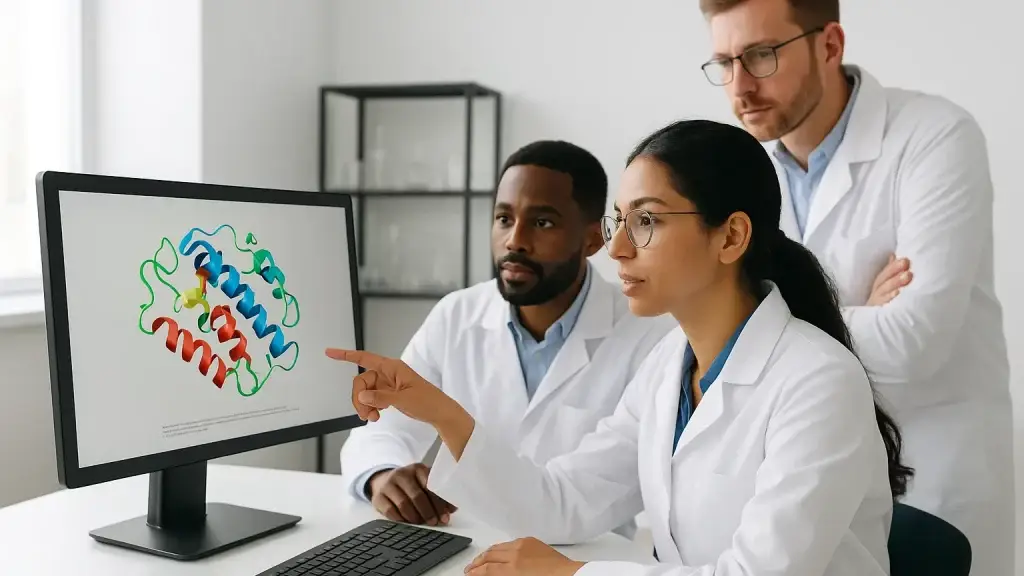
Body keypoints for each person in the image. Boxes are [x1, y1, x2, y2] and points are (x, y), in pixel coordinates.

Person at [327, 119, 914, 575]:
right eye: (619, 222)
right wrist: (437, 411)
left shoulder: (819, 381)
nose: (617, 250)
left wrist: (575, 573)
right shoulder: (668, 368)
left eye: (648, 222)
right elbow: (563, 501)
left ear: (731, 236)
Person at [697, 1, 1015, 573]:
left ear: (830, 44)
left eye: (762, 55)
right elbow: (718, 333)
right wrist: (853, 308)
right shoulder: (743, 175)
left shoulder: (935, 136)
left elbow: (914, 341)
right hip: (805, 478)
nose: (740, 86)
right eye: (724, 62)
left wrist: (773, 318)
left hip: (934, 476)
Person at [339, 140, 675, 533]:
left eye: (542, 222)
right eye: (503, 218)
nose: (515, 240)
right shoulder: (457, 314)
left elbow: (578, 500)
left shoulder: (650, 337)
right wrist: (383, 476)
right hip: (468, 544)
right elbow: (386, 425)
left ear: (592, 239)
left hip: (581, 559)